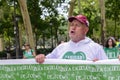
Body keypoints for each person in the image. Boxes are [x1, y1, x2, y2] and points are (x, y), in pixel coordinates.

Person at [36, 14, 108, 63]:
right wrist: (41, 58)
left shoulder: (96, 48)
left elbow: (109, 70)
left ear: (86, 30)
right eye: (72, 25)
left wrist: (100, 66)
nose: (73, 27)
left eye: (77, 25)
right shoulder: (60, 48)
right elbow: (47, 62)